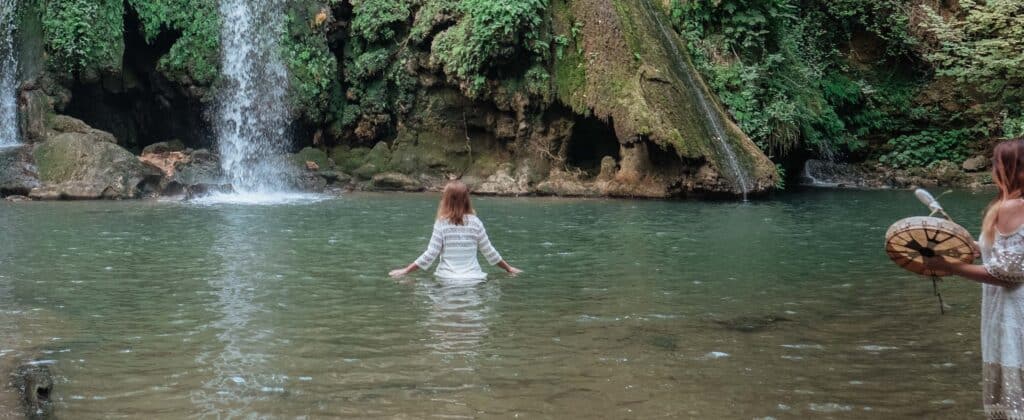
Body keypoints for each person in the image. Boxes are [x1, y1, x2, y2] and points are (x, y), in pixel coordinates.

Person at [926, 139, 1024, 419]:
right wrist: (973, 245)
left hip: (1014, 312)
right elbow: (1012, 254)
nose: (993, 168)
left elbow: (1006, 275)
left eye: (996, 163)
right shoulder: (1012, 204)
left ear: (1009, 168)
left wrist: (949, 265)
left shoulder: (1011, 207)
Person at [390, 180, 521, 280]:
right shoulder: (476, 223)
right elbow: (489, 252)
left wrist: (406, 271)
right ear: (466, 200)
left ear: (446, 200)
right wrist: (509, 269)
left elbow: (430, 254)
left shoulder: (441, 223)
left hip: (447, 279)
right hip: (473, 279)